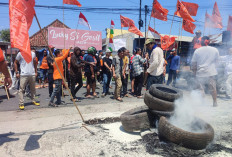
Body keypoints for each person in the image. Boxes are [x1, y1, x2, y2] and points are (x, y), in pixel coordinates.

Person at [191, 36, 219, 107]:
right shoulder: (215, 50)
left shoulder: (197, 51)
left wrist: (194, 73)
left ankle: (203, 103)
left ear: (201, 41)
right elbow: (217, 62)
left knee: (201, 89)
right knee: (213, 88)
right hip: (211, 73)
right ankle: (215, 102)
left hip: (200, 73)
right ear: (208, 41)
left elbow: (194, 64)